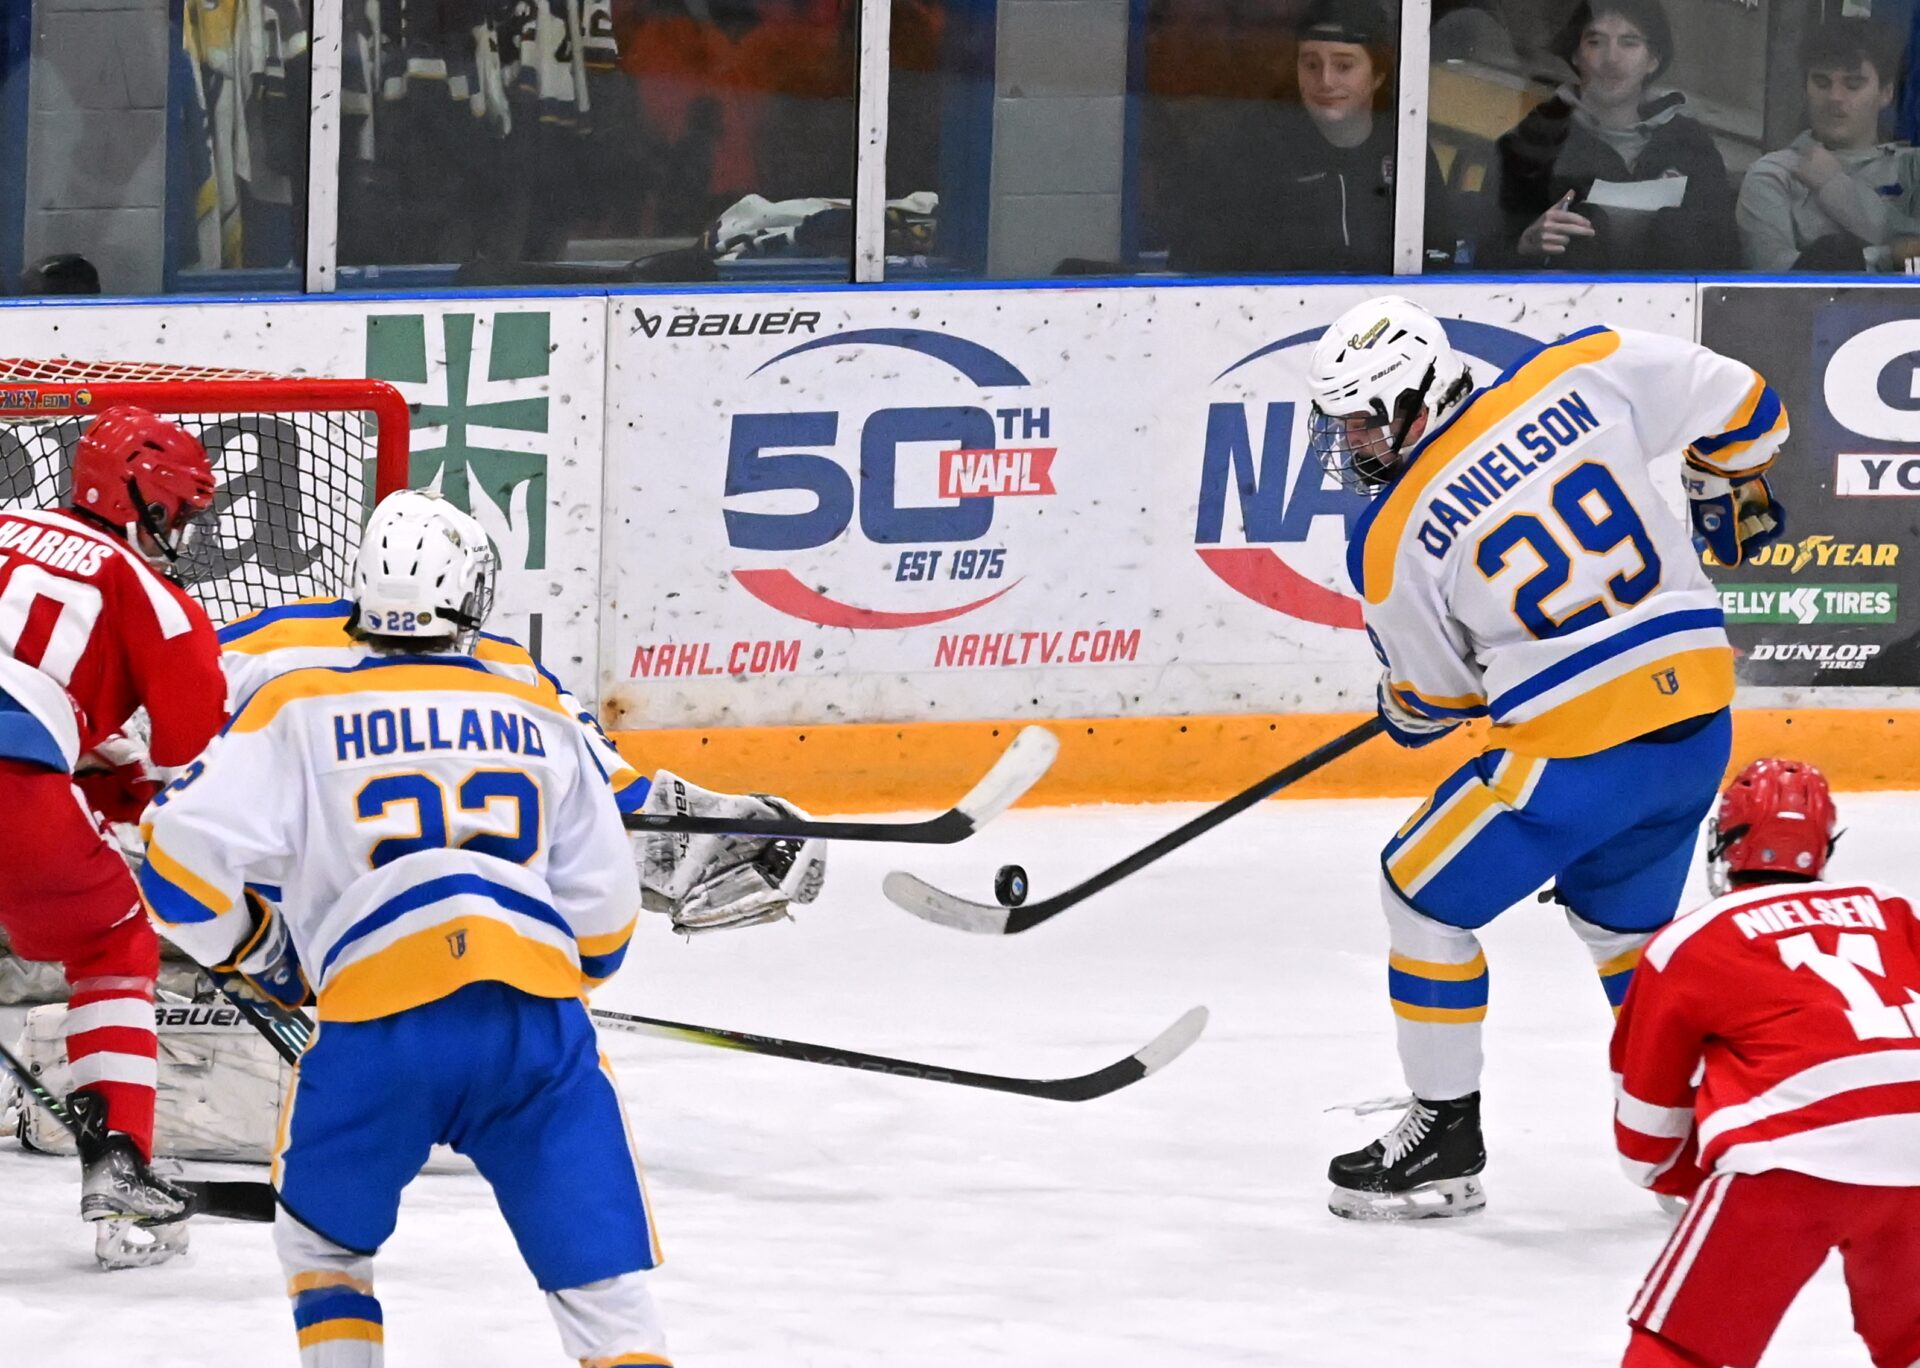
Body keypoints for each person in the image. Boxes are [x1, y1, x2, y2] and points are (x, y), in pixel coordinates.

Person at [137, 493, 673, 1366]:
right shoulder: (537, 706)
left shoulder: (297, 703)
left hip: (376, 1025)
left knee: (325, 1252)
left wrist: (260, 952)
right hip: (537, 1030)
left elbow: (175, 863)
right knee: (600, 1282)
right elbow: (607, 923)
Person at [1304, 295, 1789, 1219]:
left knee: (1419, 892)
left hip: (1574, 763)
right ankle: (1706, 1144)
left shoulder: (1392, 535)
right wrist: (1719, 486)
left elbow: (1439, 704)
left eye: (1366, 418)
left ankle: (1444, 1140)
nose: (1354, 441)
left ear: (1419, 395)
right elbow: (1751, 409)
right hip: (1696, 733)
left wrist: (1399, 703)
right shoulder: (1584, 366)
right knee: (1626, 935)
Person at [218, 488, 825, 936]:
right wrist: (746, 827)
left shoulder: (254, 649)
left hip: (257, 939)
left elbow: (145, 766)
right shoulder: (511, 676)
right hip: (457, 949)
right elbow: (627, 814)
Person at [0, 406, 223, 1268]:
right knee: (113, 940)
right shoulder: (150, 596)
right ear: (149, 499)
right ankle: (121, 1163)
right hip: (17, 792)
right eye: (185, 510)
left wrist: (84, 755)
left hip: (26, 765)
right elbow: (191, 759)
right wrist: (114, 780)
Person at [1611, 759, 1920, 1368]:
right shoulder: (1894, 912)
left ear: (1728, 845)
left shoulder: (1689, 941)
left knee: (1680, 1347)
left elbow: (1645, 1137)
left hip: (1789, 1159)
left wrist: (1697, 1181)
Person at [1166, 0, 1458, 273]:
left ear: (1378, 76)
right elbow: (1198, 266)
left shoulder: (1405, 146)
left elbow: (1438, 254)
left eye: (1344, 66)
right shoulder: (1245, 154)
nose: (1326, 81)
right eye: (1311, 65)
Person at [1494, 0, 1735, 271]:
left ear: (1653, 60)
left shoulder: (1691, 145)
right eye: (1595, 42)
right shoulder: (1531, 142)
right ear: (1575, 54)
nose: (1611, 58)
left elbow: (1726, 258)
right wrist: (1526, 245)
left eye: (1629, 43)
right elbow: (1476, 257)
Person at [1735, 19, 1920, 273]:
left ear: (1886, 93)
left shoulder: (1913, 168)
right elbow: (1773, 278)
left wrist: (1834, 187)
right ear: (1805, 89)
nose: (1835, 97)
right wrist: (1889, 257)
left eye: (1853, 84)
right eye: (1822, 83)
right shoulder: (1773, 173)